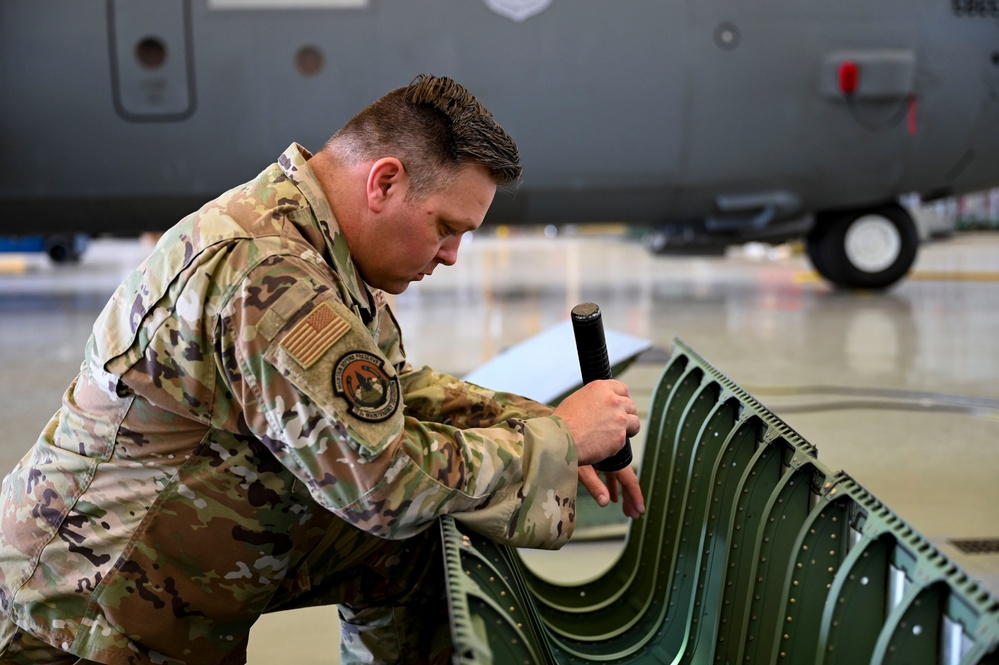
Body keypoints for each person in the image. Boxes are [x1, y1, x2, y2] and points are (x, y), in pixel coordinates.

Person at [0, 74, 643, 665]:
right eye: (446, 227)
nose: (451, 255)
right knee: (408, 518)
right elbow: (379, 484)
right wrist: (558, 442)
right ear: (384, 181)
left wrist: (540, 420)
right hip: (84, 611)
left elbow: (395, 392)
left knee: (420, 557)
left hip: (183, 561)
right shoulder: (271, 273)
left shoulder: (315, 241)